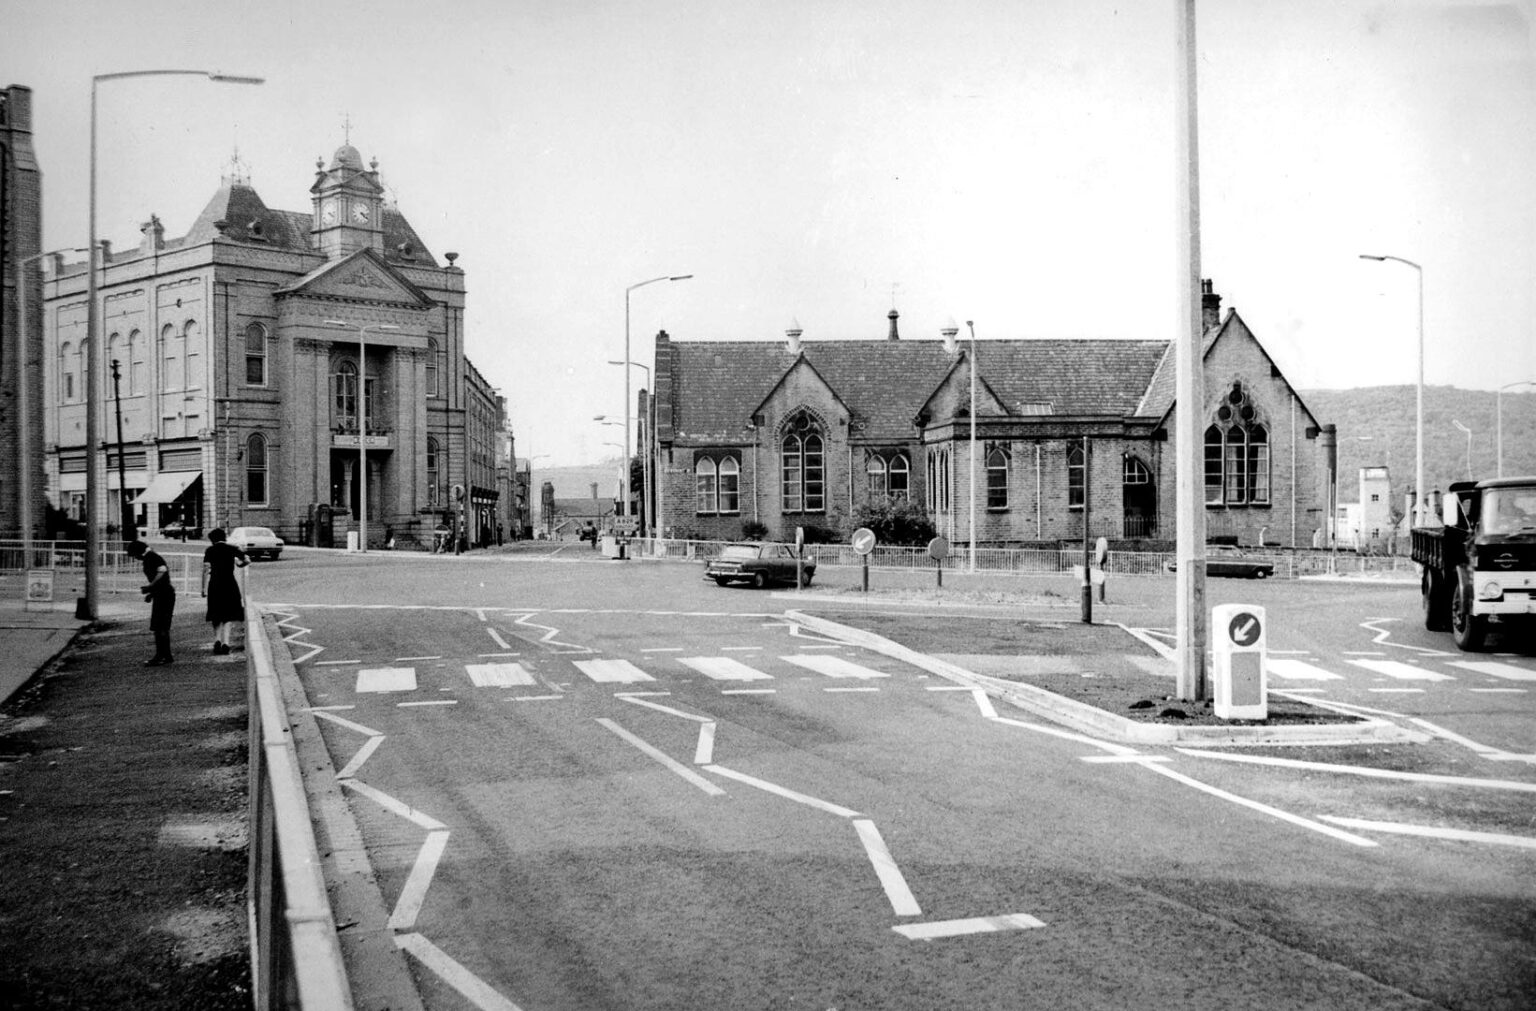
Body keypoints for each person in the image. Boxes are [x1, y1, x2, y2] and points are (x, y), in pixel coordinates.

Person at [125, 540, 175, 666]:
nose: (136, 558)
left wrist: (150, 587)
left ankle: (161, 656)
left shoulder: (151, 557)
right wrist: (151, 593)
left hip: (163, 594)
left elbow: (162, 570)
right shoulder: (152, 557)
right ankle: (166, 655)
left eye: (135, 555)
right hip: (164, 593)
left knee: (159, 626)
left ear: (139, 552)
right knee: (162, 626)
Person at [201, 528, 249, 655]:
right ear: (224, 537)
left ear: (212, 539)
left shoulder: (210, 550)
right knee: (227, 614)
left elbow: (206, 569)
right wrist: (239, 564)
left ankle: (217, 640)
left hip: (215, 584)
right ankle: (226, 643)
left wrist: (203, 588)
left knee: (215, 613)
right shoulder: (231, 548)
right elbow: (247, 560)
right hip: (229, 583)